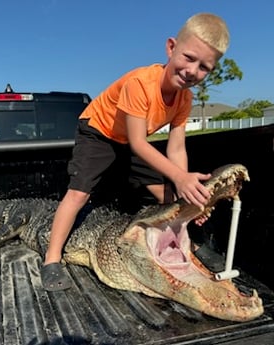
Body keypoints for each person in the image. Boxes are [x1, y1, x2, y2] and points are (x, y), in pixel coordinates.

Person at [41, 12, 230, 291]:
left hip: (129, 140)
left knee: (167, 193)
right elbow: (140, 144)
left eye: (204, 67)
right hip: (99, 131)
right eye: (189, 58)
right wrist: (180, 178)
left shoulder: (185, 98)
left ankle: (186, 244)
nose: (192, 71)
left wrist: (186, 194)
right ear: (171, 47)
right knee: (79, 193)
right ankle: (51, 259)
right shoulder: (141, 83)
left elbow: (176, 148)